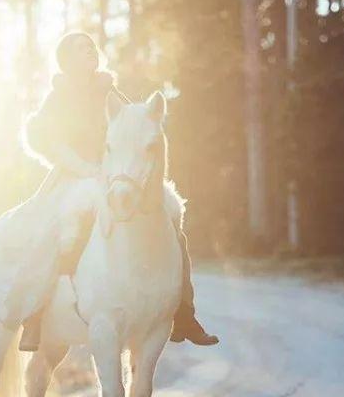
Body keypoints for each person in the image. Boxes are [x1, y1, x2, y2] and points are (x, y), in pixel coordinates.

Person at [19, 31, 218, 351]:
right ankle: (36, 315)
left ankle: (184, 313)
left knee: (171, 219)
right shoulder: (59, 97)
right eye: (82, 49)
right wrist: (85, 169)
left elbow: (134, 123)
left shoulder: (108, 91)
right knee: (53, 230)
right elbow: (48, 139)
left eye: (92, 47)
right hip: (75, 176)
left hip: (118, 176)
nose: (91, 52)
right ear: (67, 61)